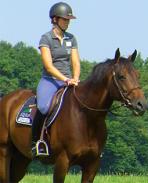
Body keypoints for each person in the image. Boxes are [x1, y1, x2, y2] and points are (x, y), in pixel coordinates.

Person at [31, 2, 80, 155]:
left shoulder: (71, 38)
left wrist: (76, 78)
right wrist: (65, 79)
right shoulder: (46, 38)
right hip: (50, 80)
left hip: (70, 81)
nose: (68, 22)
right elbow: (48, 66)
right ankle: (37, 142)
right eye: (65, 19)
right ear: (55, 19)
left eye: (68, 20)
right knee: (44, 107)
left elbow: (75, 62)